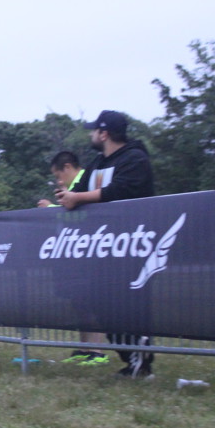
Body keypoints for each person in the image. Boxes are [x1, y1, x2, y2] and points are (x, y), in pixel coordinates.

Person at [55, 110, 156, 378]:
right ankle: (131, 357)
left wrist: (79, 198)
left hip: (132, 245)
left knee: (131, 305)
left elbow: (122, 190)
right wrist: (67, 197)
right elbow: (80, 192)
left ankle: (140, 360)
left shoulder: (135, 159)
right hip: (101, 248)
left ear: (104, 134)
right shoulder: (97, 163)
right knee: (102, 304)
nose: (90, 134)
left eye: (94, 130)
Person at [43, 152, 109, 366]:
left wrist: (49, 209)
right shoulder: (76, 186)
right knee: (79, 303)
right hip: (76, 255)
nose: (58, 181)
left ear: (68, 167)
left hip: (89, 254)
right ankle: (84, 348)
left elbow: (80, 213)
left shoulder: (85, 181)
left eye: (58, 176)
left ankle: (97, 351)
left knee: (91, 303)